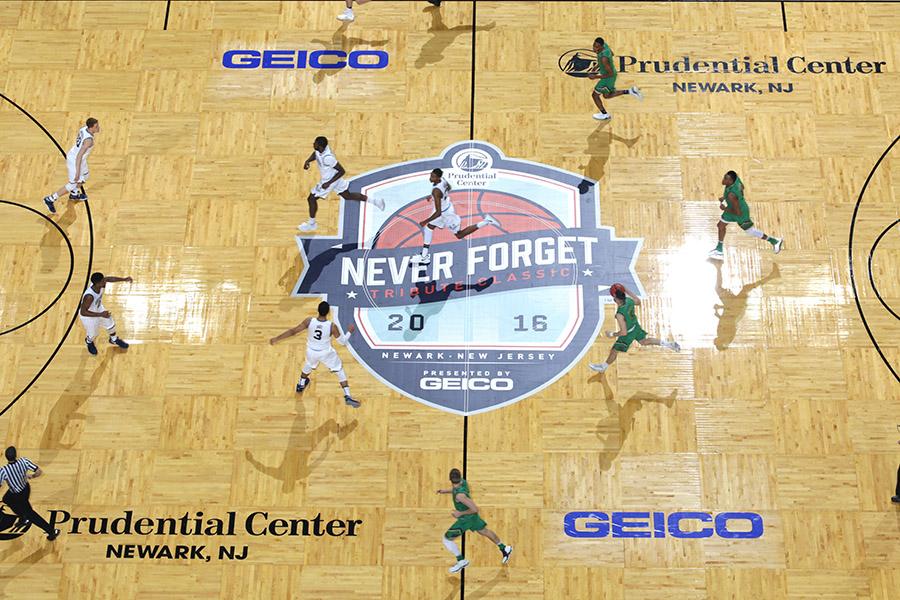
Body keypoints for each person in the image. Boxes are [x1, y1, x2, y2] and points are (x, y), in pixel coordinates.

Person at [269, 301, 360, 408]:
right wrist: (349, 331)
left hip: (311, 351)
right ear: (328, 312)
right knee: (339, 370)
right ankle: (347, 395)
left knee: (308, 365)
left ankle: (301, 384)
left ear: (318, 310)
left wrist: (277, 338)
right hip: (325, 353)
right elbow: (342, 342)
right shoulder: (331, 326)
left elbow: (293, 331)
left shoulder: (309, 321)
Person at [411, 168, 498, 265]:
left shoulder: (436, 191)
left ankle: (486, 221)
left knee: (458, 235)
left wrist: (425, 221)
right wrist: (433, 197)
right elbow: (449, 187)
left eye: (433, 177)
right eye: (431, 175)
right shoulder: (442, 180)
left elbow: (438, 212)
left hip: (445, 215)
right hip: (447, 207)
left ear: (438, 177)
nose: (430, 178)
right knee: (429, 228)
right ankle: (424, 256)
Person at [298, 136, 384, 232]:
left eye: (315, 143)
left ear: (320, 146)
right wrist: (308, 161)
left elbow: (342, 171)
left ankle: (312, 224)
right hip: (335, 179)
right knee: (348, 196)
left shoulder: (328, 158)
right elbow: (315, 154)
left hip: (329, 180)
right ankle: (376, 201)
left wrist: (328, 183)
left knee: (311, 198)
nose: (313, 144)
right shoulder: (320, 150)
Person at [589, 283, 680, 373]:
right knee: (644, 341)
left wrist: (612, 334)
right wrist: (626, 289)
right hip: (635, 326)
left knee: (614, 350)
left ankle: (603, 367)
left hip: (628, 334)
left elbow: (624, 332)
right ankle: (669, 344)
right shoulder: (629, 301)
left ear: (615, 298)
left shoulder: (619, 314)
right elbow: (638, 301)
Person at [436, 468, 512, 574]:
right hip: (473, 518)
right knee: (484, 531)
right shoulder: (463, 482)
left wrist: (459, 513)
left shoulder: (459, 496)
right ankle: (504, 548)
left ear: (450, 479)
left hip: (466, 520)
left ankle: (461, 560)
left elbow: (475, 509)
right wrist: (445, 491)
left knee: (447, 539)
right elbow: (455, 489)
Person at [708, 171, 783, 261]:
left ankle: (774, 241)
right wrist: (725, 198)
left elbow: (738, 213)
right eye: (724, 177)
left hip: (740, 213)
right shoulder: (737, 181)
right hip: (733, 207)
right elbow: (742, 188)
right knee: (720, 226)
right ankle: (719, 250)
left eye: (726, 179)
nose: (723, 180)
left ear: (731, 181)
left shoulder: (732, 195)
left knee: (750, 231)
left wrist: (724, 208)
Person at [0, 447, 59, 541]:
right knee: (6, 499)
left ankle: (51, 532)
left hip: (17, 495)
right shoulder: (24, 461)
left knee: (31, 515)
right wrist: (31, 476)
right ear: (16, 455)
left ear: (6, 458)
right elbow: (38, 471)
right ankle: (23, 517)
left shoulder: (3, 471)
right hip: (25, 489)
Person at [44, 118, 100, 213]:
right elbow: (79, 156)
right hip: (75, 160)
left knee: (85, 176)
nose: (98, 127)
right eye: (96, 126)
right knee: (72, 183)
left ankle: (74, 194)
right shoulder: (88, 141)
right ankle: (50, 199)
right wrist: (77, 172)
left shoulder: (84, 129)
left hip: (79, 158)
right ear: (90, 128)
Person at [587, 37, 642, 121]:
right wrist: (595, 67)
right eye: (594, 45)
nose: (594, 48)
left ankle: (604, 114)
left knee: (595, 95)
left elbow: (610, 74)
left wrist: (595, 77)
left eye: (597, 47)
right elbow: (612, 53)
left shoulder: (604, 58)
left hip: (607, 78)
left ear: (601, 47)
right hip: (611, 76)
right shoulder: (605, 47)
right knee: (606, 95)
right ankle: (630, 91)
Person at [80, 272, 132, 355]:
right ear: (97, 283)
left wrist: (124, 279)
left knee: (111, 325)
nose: (105, 282)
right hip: (89, 316)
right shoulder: (89, 296)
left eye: (104, 280)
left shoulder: (100, 285)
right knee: (93, 334)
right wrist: (101, 314)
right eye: (103, 281)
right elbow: (83, 312)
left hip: (98, 309)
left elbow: (109, 279)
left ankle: (113, 339)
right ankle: (89, 342)